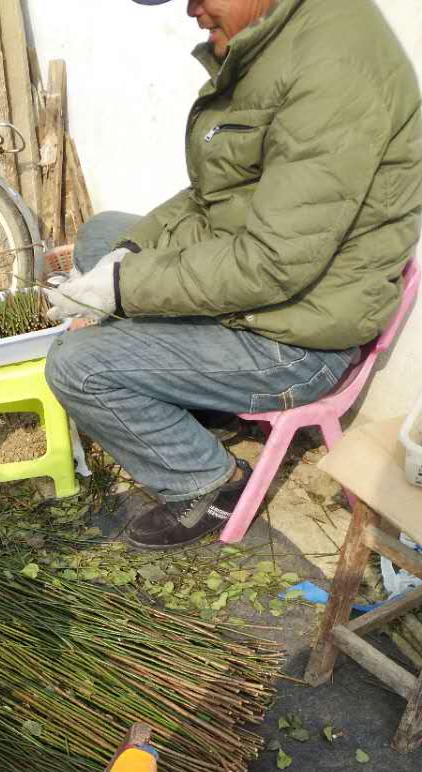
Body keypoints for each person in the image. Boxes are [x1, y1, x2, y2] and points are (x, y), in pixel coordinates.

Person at [45, 0, 422, 551]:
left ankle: (206, 481)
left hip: (297, 338)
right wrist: (129, 253)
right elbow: (213, 197)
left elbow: (273, 264)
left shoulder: (332, 68)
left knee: (76, 367)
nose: (192, 10)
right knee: (101, 236)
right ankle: (188, 395)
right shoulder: (276, 38)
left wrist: (125, 288)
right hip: (271, 286)